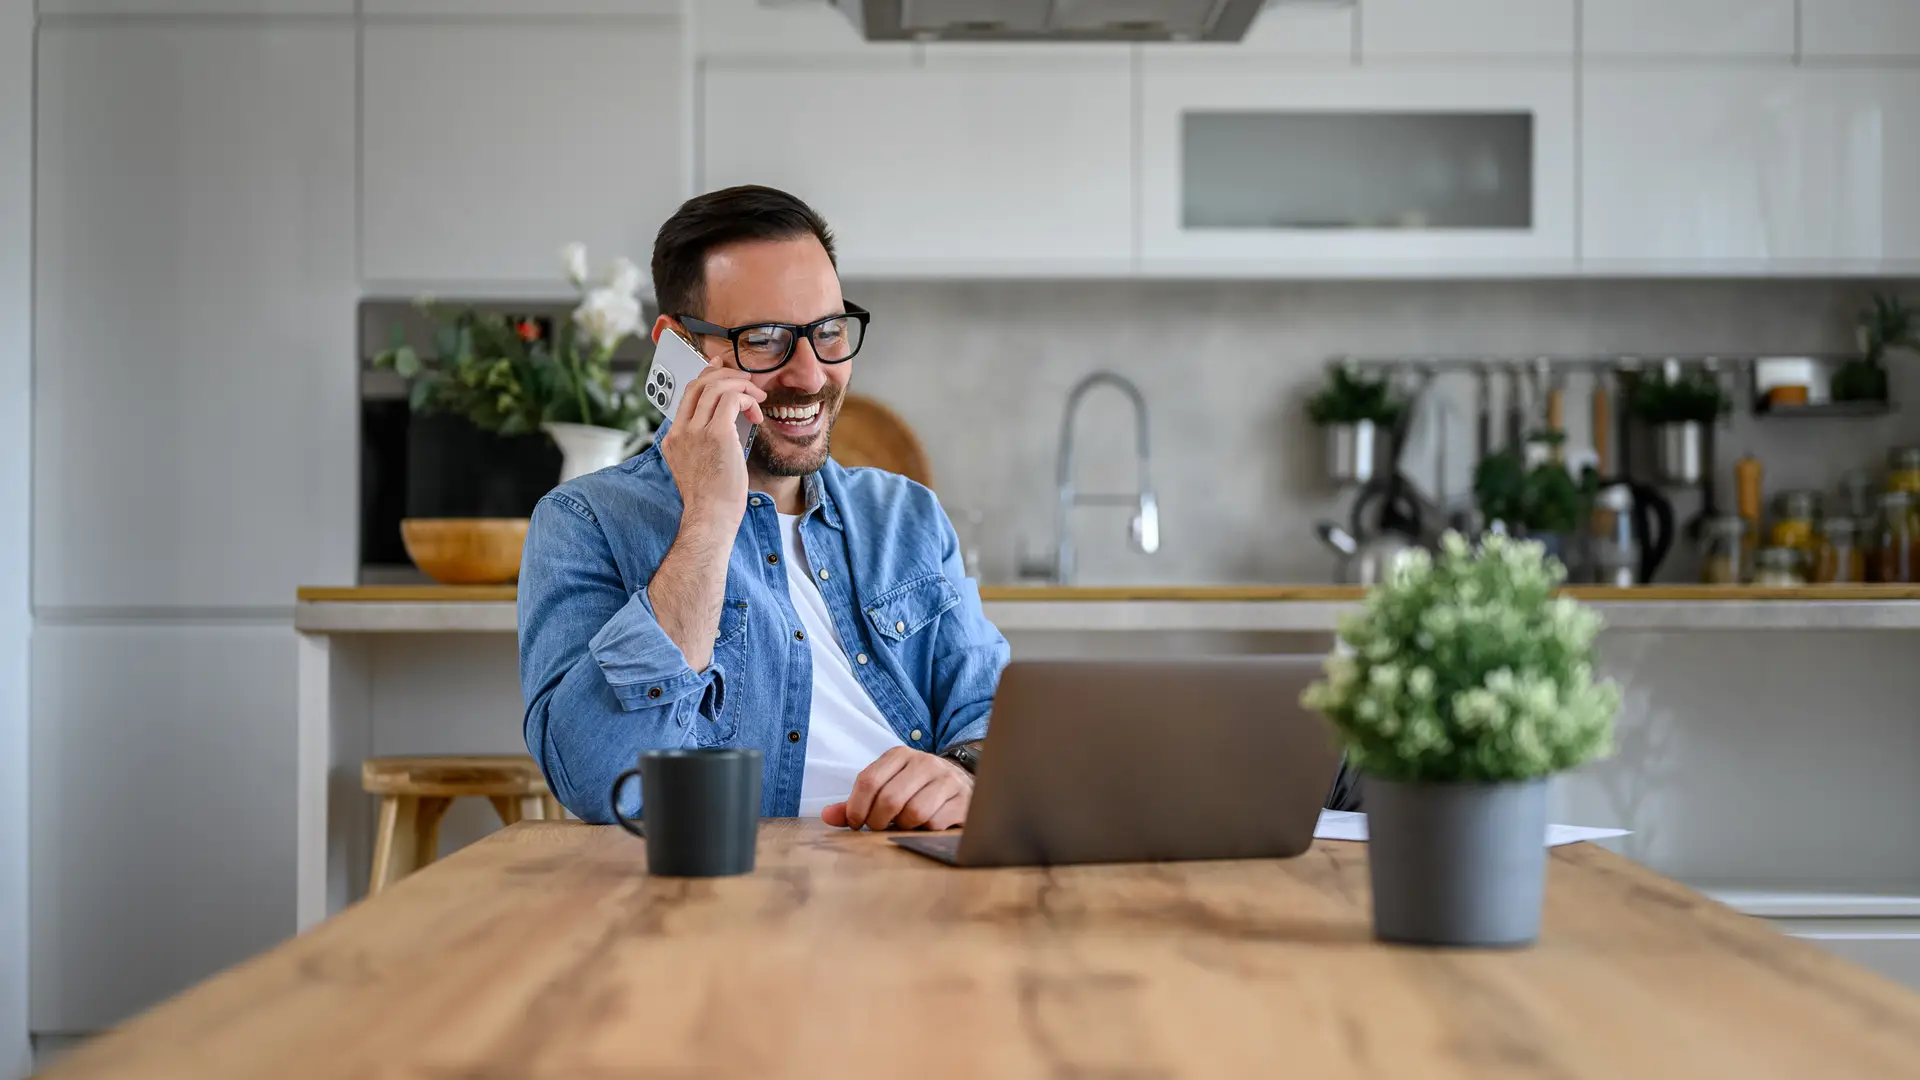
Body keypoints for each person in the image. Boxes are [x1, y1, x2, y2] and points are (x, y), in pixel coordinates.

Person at [518, 185, 1008, 831]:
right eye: (766, 338)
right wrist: (709, 522)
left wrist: (962, 771)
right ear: (678, 347)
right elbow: (600, 781)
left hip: (908, 879)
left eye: (828, 332)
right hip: (728, 889)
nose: (809, 375)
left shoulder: (904, 514)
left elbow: (992, 711)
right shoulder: (585, 522)